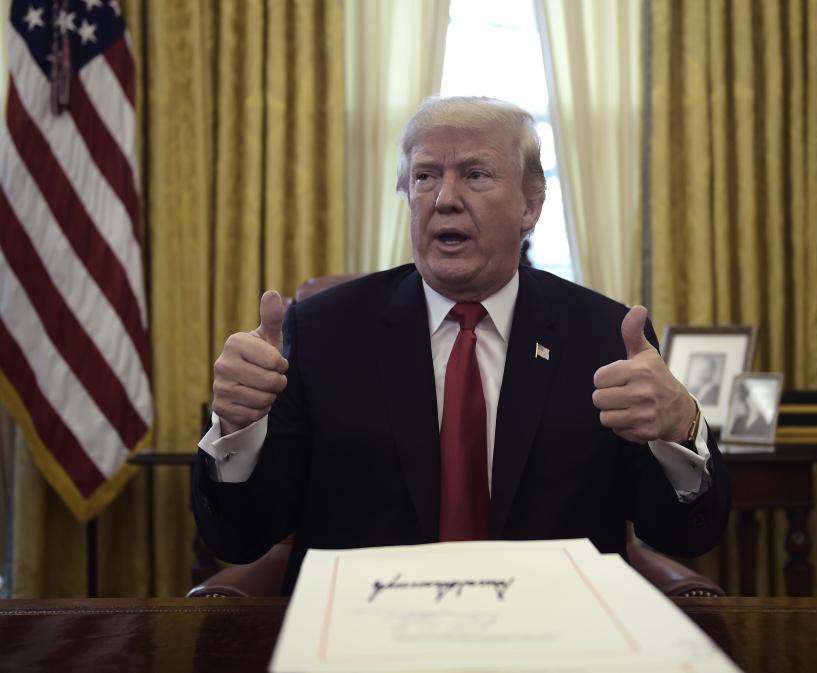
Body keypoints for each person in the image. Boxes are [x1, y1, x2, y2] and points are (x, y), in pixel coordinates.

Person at [193, 97, 730, 593]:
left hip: (554, 638)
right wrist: (237, 430)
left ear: (531, 205)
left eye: (475, 175)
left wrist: (681, 429)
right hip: (368, 639)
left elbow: (684, 536)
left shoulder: (606, 337)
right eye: (426, 177)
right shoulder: (321, 332)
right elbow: (239, 538)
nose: (445, 199)